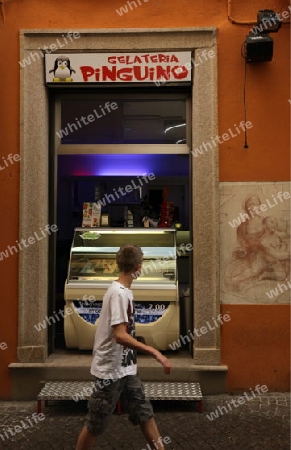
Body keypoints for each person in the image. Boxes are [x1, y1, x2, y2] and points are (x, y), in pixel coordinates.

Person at [76, 244, 171, 450]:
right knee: (95, 423)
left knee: (144, 412)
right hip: (110, 370)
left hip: (126, 368)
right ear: (138, 267)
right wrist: (154, 352)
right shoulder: (119, 294)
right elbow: (120, 335)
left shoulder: (124, 291)